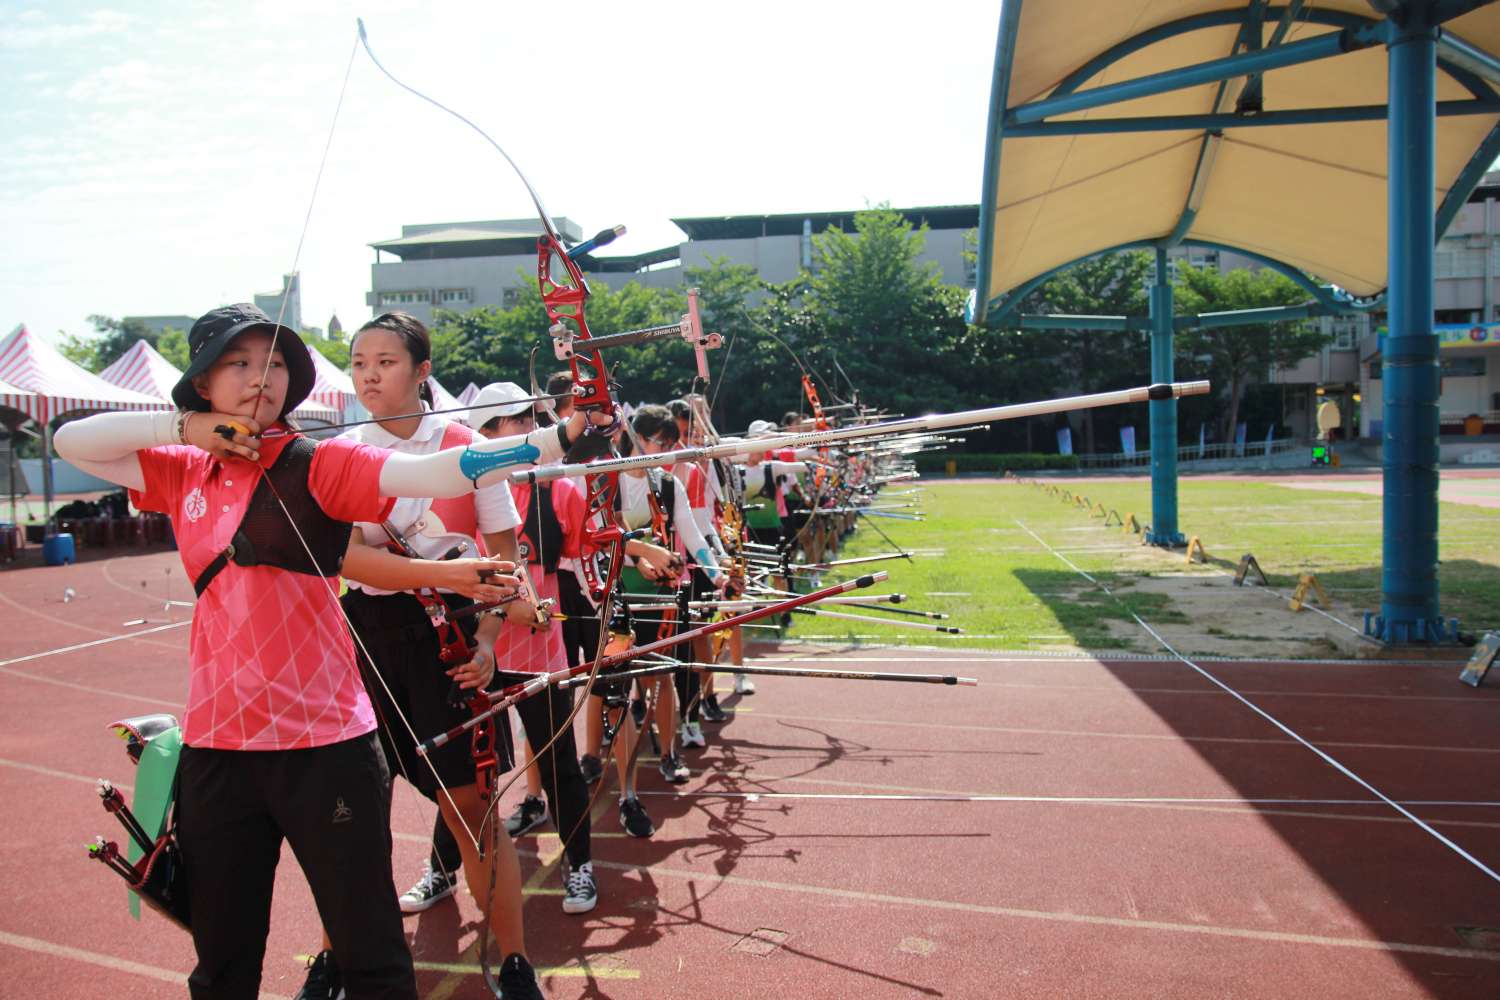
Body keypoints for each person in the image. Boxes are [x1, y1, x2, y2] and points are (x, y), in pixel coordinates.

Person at [55, 304, 610, 1000]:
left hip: (325, 742)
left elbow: (445, 471)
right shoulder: (181, 469)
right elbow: (70, 440)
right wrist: (188, 429)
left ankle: (505, 959)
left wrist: (564, 436)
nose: (263, 378)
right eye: (240, 363)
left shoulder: (317, 461)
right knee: (221, 959)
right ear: (201, 381)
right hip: (219, 743)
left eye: (276, 363)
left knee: (374, 953)